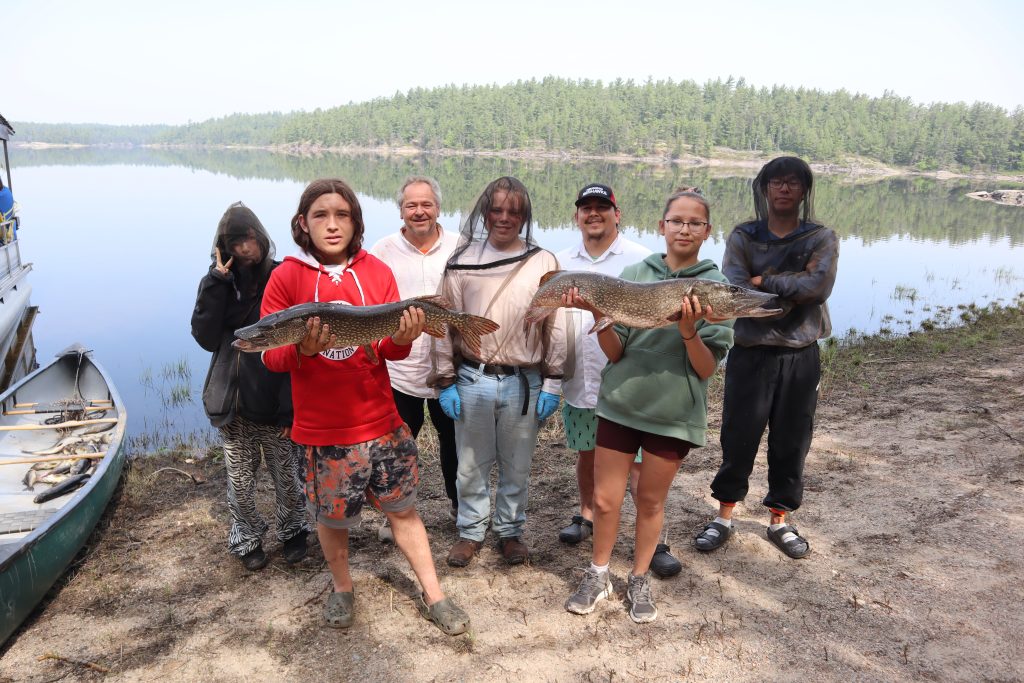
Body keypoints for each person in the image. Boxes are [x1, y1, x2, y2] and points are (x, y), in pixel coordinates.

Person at [260, 178, 469, 635]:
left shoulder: (375, 271)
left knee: (404, 510)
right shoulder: (286, 277)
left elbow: (389, 352)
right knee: (332, 518)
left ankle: (434, 594)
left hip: (381, 422)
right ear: (303, 222)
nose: (332, 225)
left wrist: (401, 335)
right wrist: (305, 351)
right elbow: (272, 355)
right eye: (321, 215)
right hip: (323, 430)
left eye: (342, 215)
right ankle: (342, 587)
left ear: (355, 222)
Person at [564, 188, 734, 623]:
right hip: (620, 404)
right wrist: (595, 312)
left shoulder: (716, 291)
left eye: (694, 222)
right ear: (662, 226)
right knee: (604, 500)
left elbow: (704, 369)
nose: (684, 228)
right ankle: (598, 573)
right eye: (676, 220)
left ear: (707, 231)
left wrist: (689, 329)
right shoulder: (638, 272)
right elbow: (616, 351)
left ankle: (638, 578)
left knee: (650, 502)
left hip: (672, 413)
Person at [693, 156, 839, 560]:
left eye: (793, 182)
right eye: (776, 182)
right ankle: (723, 515)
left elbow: (818, 286)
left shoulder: (820, 237)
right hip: (750, 353)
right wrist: (778, 288)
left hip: (800, 353)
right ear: (764, 188)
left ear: (804, 189)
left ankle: (780, 519)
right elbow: (733, 290)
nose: (784, 188)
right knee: (738, 436)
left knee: (792, 440)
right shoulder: (743, 235)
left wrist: (765, 281)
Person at [435, 176, 566, 568]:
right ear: (485, 213)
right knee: (470, 463)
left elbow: (554, 323)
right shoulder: (461, 259)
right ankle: (471, 532)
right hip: (472, 378)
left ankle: (510, 532)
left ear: (524, 216)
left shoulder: (543, 261)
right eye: (497, 209)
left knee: (517, 463)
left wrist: (554, 381)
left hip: (523, 381)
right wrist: (445, 379)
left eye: (514, 211)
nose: (505, 218)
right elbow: (443, 321)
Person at [553, 183, 683, 578]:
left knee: (641, 468)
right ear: (577, 216)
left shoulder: (643, 261)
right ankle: (587, 514)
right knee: (587, 455)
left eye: (602, 208)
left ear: (617, 213)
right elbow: (551, 327)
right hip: (579, 380)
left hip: (628, 384)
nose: (594, 214)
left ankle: (654, 541)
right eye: (586, 208)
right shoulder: (559, 262)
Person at [190, 201, 310, 571]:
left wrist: (291, 406)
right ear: (223, 247)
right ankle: (247, 538)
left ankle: (293, 532)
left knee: (286, 475)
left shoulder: (280, 277)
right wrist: (216, 284)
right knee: (239, 482)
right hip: (231, 402)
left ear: (261, 238)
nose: (244, 248)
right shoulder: (216, 283)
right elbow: (206, 338)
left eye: (249, 239)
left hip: (274, 401)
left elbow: (296, 345)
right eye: (235, 242)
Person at [370, 176, 460, 543]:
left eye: (426, 204)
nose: (419, 212)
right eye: (411, 205)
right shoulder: (382, 250)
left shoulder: (461, 246)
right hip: (398, 372)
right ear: (401, 210)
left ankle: (459, 507)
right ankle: (394, 514)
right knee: (394, 450)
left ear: (438, 207)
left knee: (454, 445)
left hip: (449, 371)